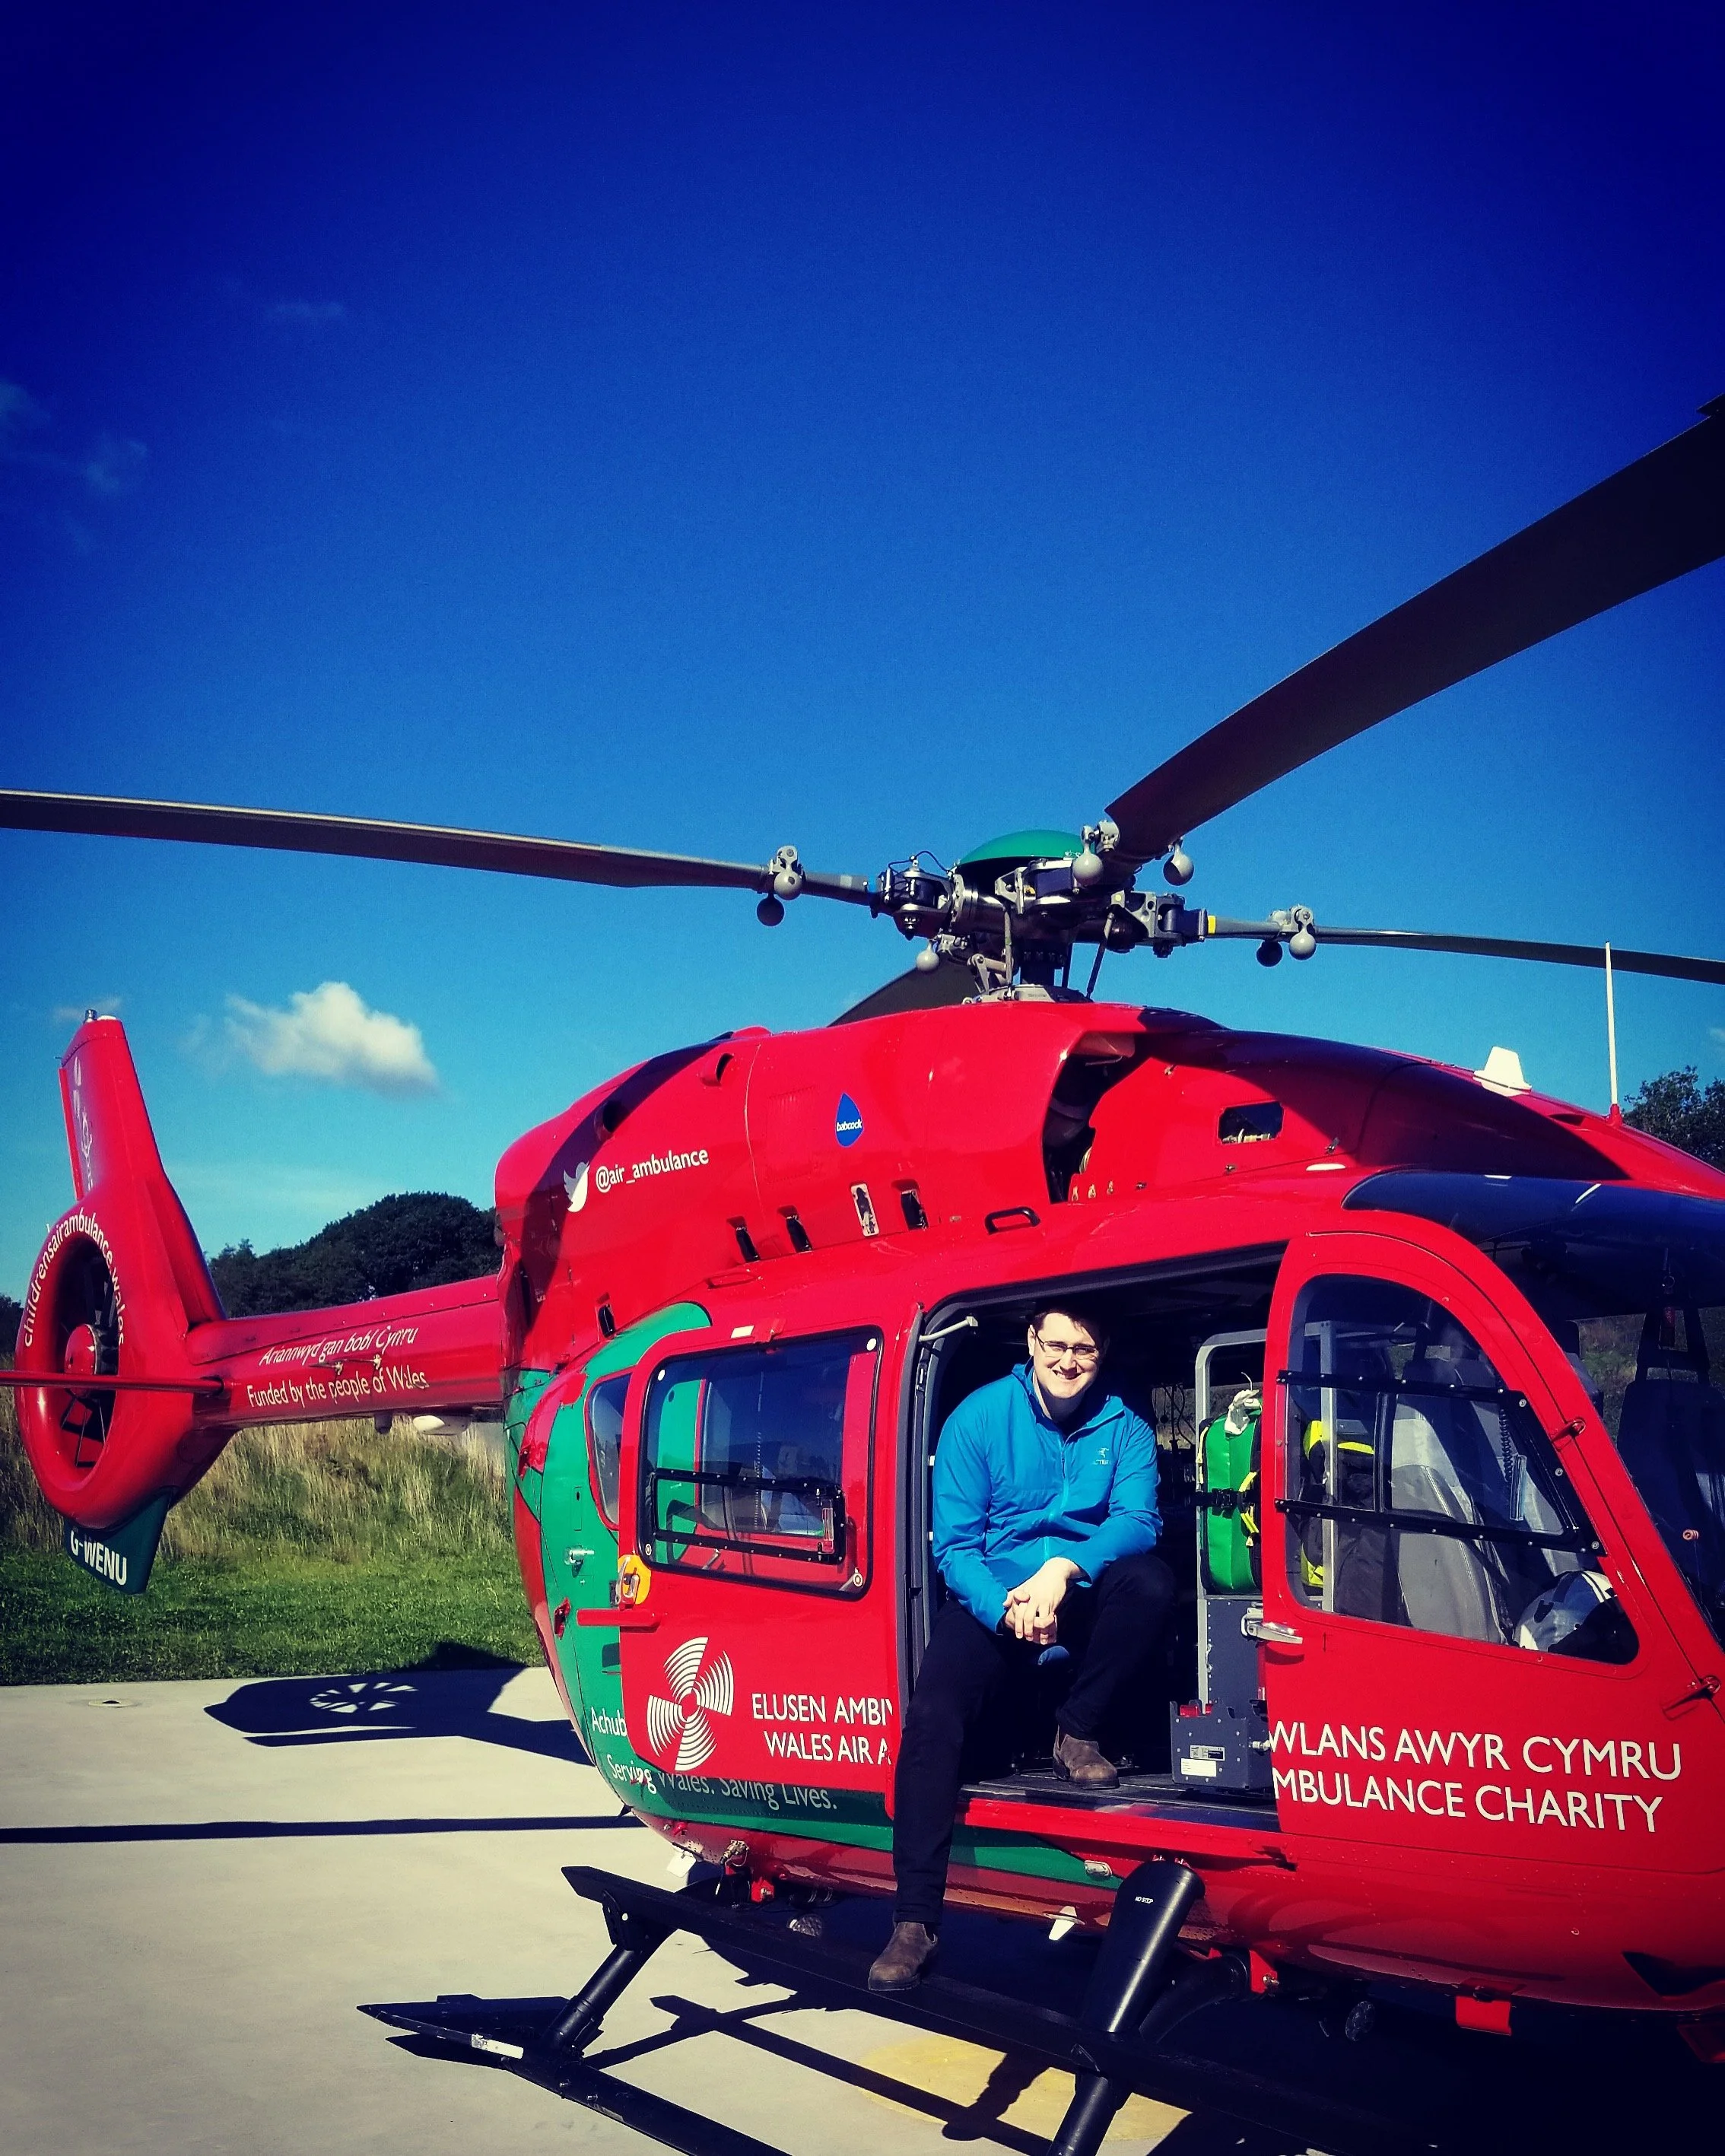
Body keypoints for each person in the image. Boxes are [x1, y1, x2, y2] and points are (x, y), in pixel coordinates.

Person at [868, 1303, 1171, 1994]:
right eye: (1056, 1343)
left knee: (1149, 1584)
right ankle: (915, 1921)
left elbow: (1137, 1520)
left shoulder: (1124, 1427)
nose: (1068, 1360)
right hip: (994, 1598)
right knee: (932, 1719)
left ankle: (1077, 1730)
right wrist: (1007, 1607)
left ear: (1102, 1354)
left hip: (1075, 1591)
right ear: (1032, 1342)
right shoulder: (978, 1418)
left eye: (1085, 1349)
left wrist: (1063, 1569)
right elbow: (956, 1549)